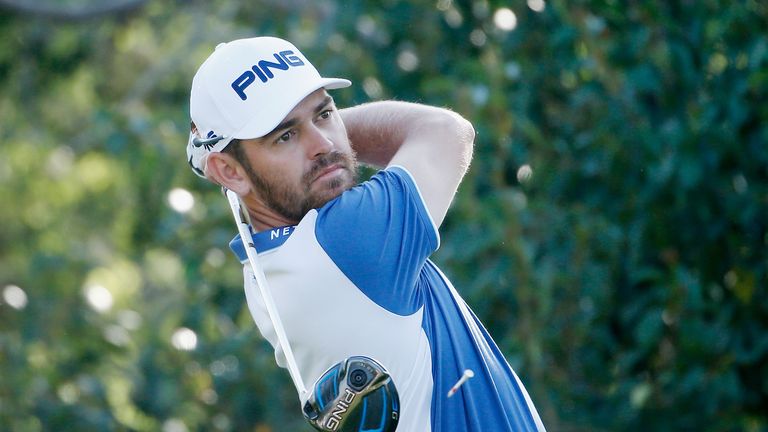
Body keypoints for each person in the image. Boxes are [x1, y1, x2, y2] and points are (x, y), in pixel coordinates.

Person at [186, 36, 545, 431]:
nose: (322, 145)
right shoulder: (347, 240)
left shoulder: (265, 265)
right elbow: (446, 130)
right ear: (230, 172)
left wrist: (299, 136)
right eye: (284, 136)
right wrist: (329, 135)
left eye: (325, 114)